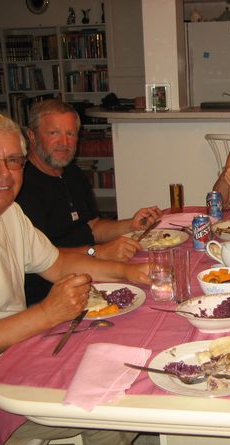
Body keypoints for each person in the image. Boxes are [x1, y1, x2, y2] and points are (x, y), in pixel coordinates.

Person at [0, 112, 156, 445]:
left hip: (10, 355)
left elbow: (57, 263)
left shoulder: (7, 212)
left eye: (13, 160)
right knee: (107, 407)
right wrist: (46, 314)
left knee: (118, 354)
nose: (3, 173)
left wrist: (127, 272)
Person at [16, 99, 162, 305]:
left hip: (93, 274)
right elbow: (41, 257)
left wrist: (131, 225)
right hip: (49, 293)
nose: (64, 142)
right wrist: (97, 252)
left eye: (70, 134)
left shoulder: (72, 173)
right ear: (31, 136)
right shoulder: (20, 186)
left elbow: (92, 226)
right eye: (54, 133)